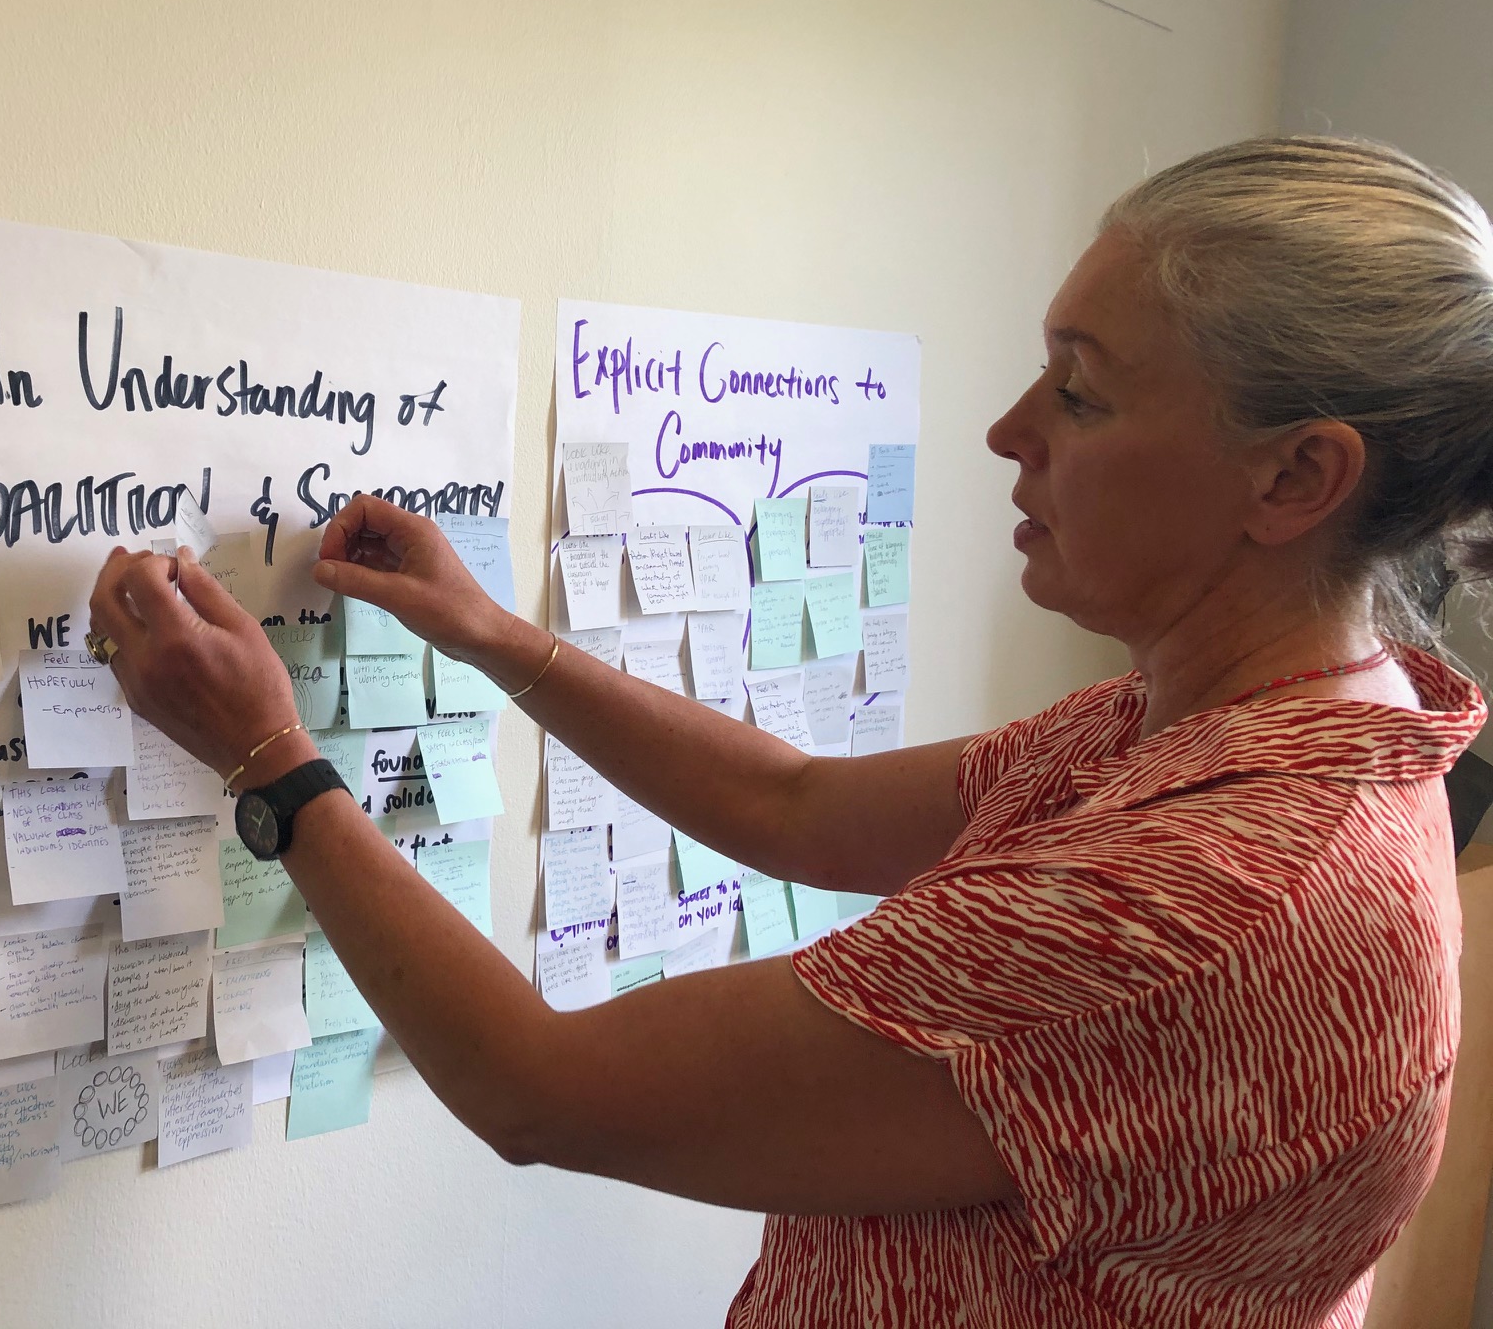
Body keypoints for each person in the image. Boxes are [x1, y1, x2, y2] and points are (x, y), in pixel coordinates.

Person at [86, 135, 1492, 1327]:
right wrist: (499, 638)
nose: (1008, 432)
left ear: (1300, 474)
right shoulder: (1258, 738)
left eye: (1080, 390)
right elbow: (798, 806)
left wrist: (273, 762)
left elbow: (538, 1089)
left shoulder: (1205, 893)